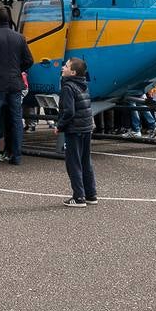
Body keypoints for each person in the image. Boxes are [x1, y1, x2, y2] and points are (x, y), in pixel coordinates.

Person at [0, 7, 33, 167]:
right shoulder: (19, 37)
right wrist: (18, 69)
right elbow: (29, 60)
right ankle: (16, 156)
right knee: (16, 119)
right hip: (15, 83)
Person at [57, 58, 95, 208]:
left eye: (66, 66)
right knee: (86, 161)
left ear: (72, 72)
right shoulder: (83, 84)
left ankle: (79, 196)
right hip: (86, 127)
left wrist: (59, 126)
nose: (62, 68)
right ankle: (91, 194)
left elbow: (69, 111)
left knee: (73, 163)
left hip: (75, 129)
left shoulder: (68, 87)